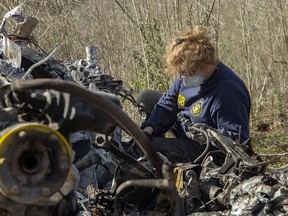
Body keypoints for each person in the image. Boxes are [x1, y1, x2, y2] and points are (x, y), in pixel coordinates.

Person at [136, 26, 253, 164]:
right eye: (181, 73)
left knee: (153, 148)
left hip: (208, 149)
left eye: (186, 73)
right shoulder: (186, 75)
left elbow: (236, 139)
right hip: (186, 126)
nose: (182, 77)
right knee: (146, 98)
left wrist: (206, 136)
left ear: (204, 65)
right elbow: (167, 103)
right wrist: (148, 129)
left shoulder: (227, 91)